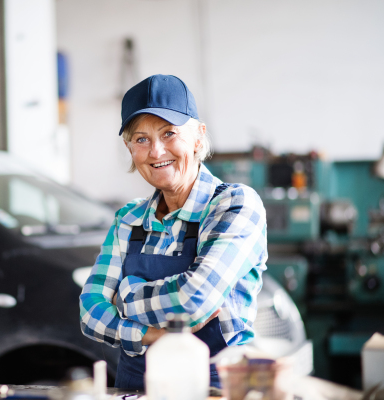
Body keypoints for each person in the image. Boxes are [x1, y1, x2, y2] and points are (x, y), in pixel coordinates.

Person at [79, 74, 267, 389]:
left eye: (169, 133)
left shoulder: (234, 204)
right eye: (141, 139)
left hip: (217, 388)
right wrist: (149, 334)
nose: (155, 152)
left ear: (197, 137)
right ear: (129, 148)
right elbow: (90, 313)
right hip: (136, 389)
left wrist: (126, 297)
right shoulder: (129, 219)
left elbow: (193, 301)